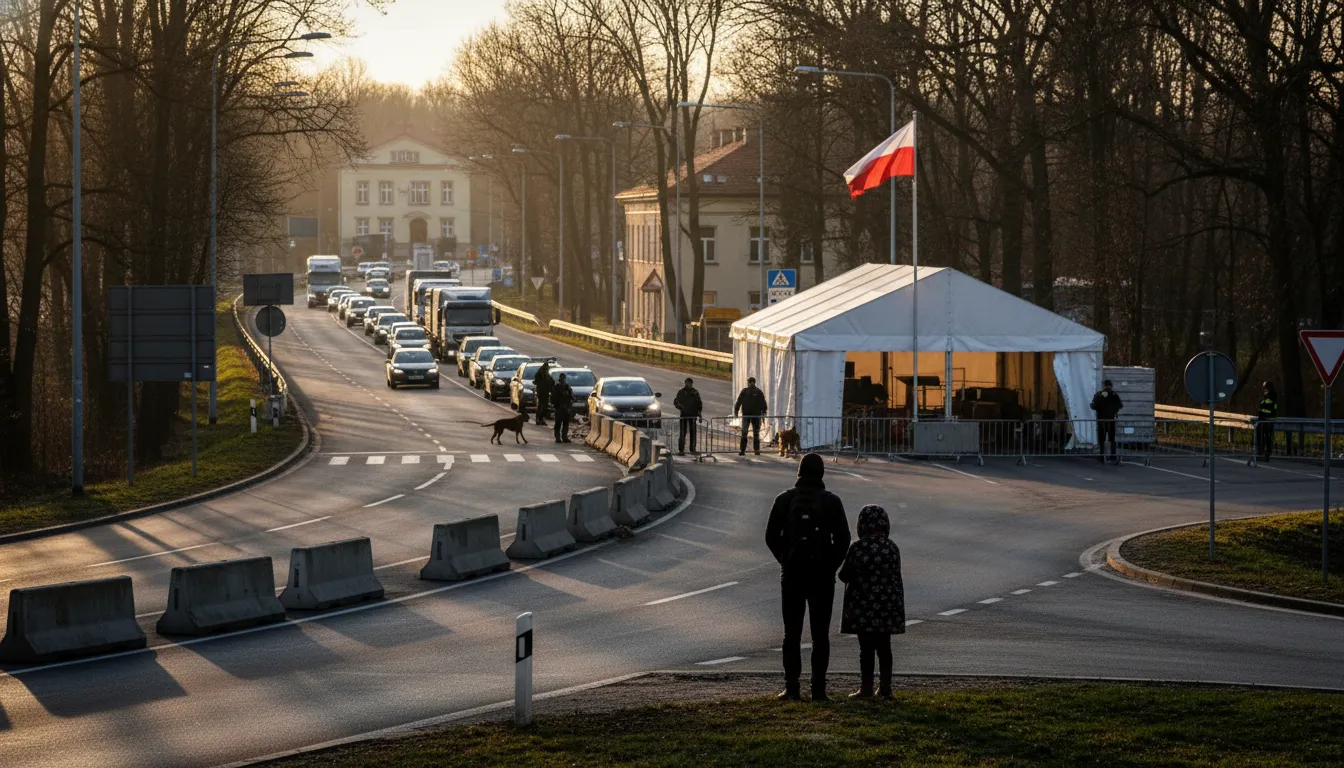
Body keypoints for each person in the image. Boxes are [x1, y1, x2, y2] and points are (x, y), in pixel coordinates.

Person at [765, 452, 850, 702]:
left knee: (791, 633)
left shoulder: (784, 499)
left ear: (799, 472)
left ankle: (791, 687)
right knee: (820, 635)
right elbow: (843, 539)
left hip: (792, 575)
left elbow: (770, 536)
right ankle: (818, 689)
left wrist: (785, 559)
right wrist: (830, 566)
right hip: (822, 577)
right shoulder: (832, 502)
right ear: (822, 473)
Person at [838, 505, 905, 700]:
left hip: (863, 607)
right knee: (884, 648)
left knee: (866, 649)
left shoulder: (858, 548)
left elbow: (843, 575)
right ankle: (885, 688)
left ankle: (866, 689)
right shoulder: (892, 548)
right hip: (887, 607)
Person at [1090, 379, 1123, 464]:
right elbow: (1120, 405)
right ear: (1111, 385)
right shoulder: (1114, 394)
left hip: (1101, 419)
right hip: (1111, 419)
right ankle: (1113, 456)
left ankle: (1101, 456)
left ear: (1104, 385)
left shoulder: (1099, 394)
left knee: (1102, 439)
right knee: (1112, 439)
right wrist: (1113, 409)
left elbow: (1093, 406)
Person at [735, 376, 768, 456]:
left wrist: (764, 411)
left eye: (751, 382)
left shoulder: (756, 392)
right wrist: (736, 410)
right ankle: (744, 450)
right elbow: (739, 401)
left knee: (754, 433)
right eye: (750, 382)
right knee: (746, 433)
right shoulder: (747, 391)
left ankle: (754, 450)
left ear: (751, 382)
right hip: (749, 415)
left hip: (754, 416)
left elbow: (763, 403)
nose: (750, 384)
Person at [673, 377, 703, 456]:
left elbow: (699, 404)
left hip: (693, 415)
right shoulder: (681, 392)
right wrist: (681, 407)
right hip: (684, 415)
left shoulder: (695, 392)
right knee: (683, 432)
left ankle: (692, 448)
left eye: (689, 383)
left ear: (691, 384)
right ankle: (681, 449)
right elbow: (676, 402)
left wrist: (699, 414)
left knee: (693, 432)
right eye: (686, 383)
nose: (687, 385)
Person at [1257, 381, 1279, 461]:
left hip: (1268, 418)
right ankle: (1262, 452)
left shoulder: (1272, 395)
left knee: (1267, 436)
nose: (1263, 388)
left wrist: (1262, 406)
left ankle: (1266, 453)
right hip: (1263, 418)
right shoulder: (1266, 396)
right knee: (1263, 436)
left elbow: (1267, 406)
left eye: (1264, 386)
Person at [552, 372, 574, 443]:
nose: (563, 380)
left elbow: (572, 396)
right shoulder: (556, 387)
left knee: (565, 423)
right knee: (558, 424)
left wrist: (568, 396)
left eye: (564, 379)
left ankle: (564, 437)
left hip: (566, 408)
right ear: (560, 379)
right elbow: (553, 398)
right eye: (562, 378)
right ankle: (558, 438)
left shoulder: (567, 387)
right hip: (559, 408)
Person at [532, 361, 554, 427]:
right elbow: (536, 382)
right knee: (541, 406)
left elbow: (552, 383)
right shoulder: (540, 375)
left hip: (544, 393)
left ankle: (540, 419)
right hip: (542, 392)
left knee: (543, 407)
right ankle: (539, 419)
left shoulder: (546, 376)